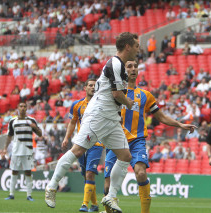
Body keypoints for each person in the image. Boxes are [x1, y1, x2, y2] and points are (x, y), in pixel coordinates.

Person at [44, 32, 139, 213]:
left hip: (111, 118)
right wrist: (131, 105)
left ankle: (111, 197)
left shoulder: (120, 67)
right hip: (98, 115)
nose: (137, 49)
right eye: (135, 46)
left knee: (125, 156)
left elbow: (117, 95)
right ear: (127, 46)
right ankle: (51, 186)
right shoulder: (115, 63)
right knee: (78, 151)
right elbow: (117, 94)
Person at [103, 60, 197, 213]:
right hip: (116, 141)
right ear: (123, 71)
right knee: (108, 186)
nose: (133, 69)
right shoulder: (116, 93)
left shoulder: (145, 95)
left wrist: (180, 125)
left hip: (137, 141)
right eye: (129, 67)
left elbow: (161, 117)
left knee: (140, 173)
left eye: (135, 67)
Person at [61, 79, 103, 212]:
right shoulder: (77, 104)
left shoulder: (102, 104)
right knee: (86, 174)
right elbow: (72, 122)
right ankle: (95, 204)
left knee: (90, 173)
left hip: (96, 143)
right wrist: (67, 138)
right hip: (81, 143)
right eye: (90, 85)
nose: (92, 87)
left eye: (94, 86)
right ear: (85, 88)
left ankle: (84, 204)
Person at [4, 101, 42, 201]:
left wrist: (35, 128)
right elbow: (9, 136)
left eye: (24, 106)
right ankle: (11, 194)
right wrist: (5, 148)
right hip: (16, 150)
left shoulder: (31, 120)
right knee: (14, 171)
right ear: (18, 108)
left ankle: (29, 195)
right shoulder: (13, 121)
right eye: (21, 106)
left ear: (26, 108)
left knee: (28, 172)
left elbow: (40, 134)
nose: (22, 108)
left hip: (28, 150)